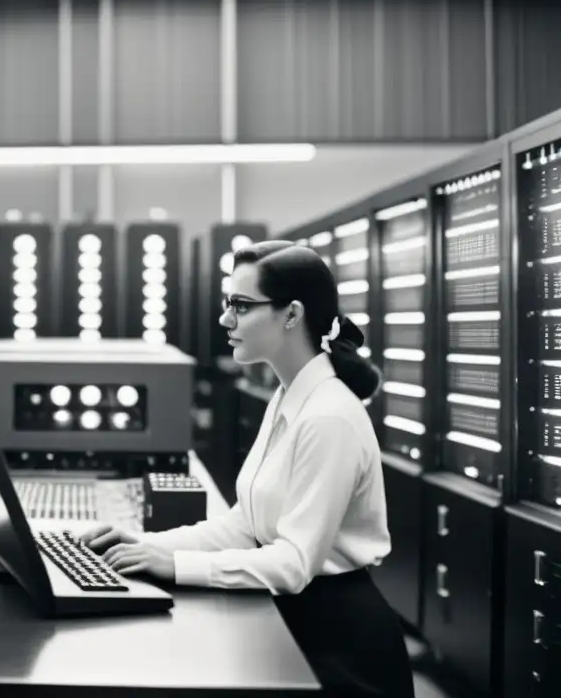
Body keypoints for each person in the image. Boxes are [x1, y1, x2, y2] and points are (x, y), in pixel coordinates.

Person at [82, 240, 415, 698]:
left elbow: (295, 562)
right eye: (227, 304)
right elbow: (245, 526)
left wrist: (176, 565)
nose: (225, 320)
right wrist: (147, 546)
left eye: (241, 305)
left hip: (339, 649)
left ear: (292, 314)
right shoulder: (288, 397)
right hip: (296, 625)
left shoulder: (329, 417)